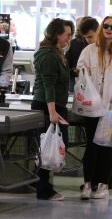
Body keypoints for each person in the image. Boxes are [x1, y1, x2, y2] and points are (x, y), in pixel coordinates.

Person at [76, 16, 112, 200]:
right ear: (102, 28)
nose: (109, 29)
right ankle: (87, 184)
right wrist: (81, 71)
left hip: (110, 108)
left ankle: (103, 185)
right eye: (106, 25)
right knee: (92, 146)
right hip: (91, 107)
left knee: (105, 147)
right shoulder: (89, 50)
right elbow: (80, 71)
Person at [31, 18, 74, 201]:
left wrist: (74, 71)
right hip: (48, 106)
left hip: (56, 105)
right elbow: (48, 85)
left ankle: (43, 184)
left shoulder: (57, 52)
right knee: (48, 148)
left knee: (55, 146)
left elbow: (58, 77)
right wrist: (52, 112)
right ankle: (43, 190)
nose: (69, 38)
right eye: (67, 35)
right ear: (57, 34)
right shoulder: (48, 55)